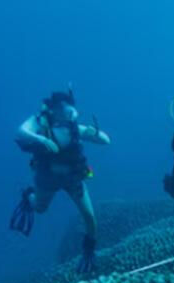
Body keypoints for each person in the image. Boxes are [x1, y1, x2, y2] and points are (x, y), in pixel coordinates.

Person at [9, 88, 111, 273]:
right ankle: (29, 197)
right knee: (40, 208)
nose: (68, 111)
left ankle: (88, 253)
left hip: (73, 178)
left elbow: (106, 140)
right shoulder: (40, 124)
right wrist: (40, 138)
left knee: (89, 216)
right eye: (62, 107)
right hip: (47, 178)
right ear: (53, 109)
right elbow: (21, 132)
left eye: (69, 107)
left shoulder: (75, 128)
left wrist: (95, 133)